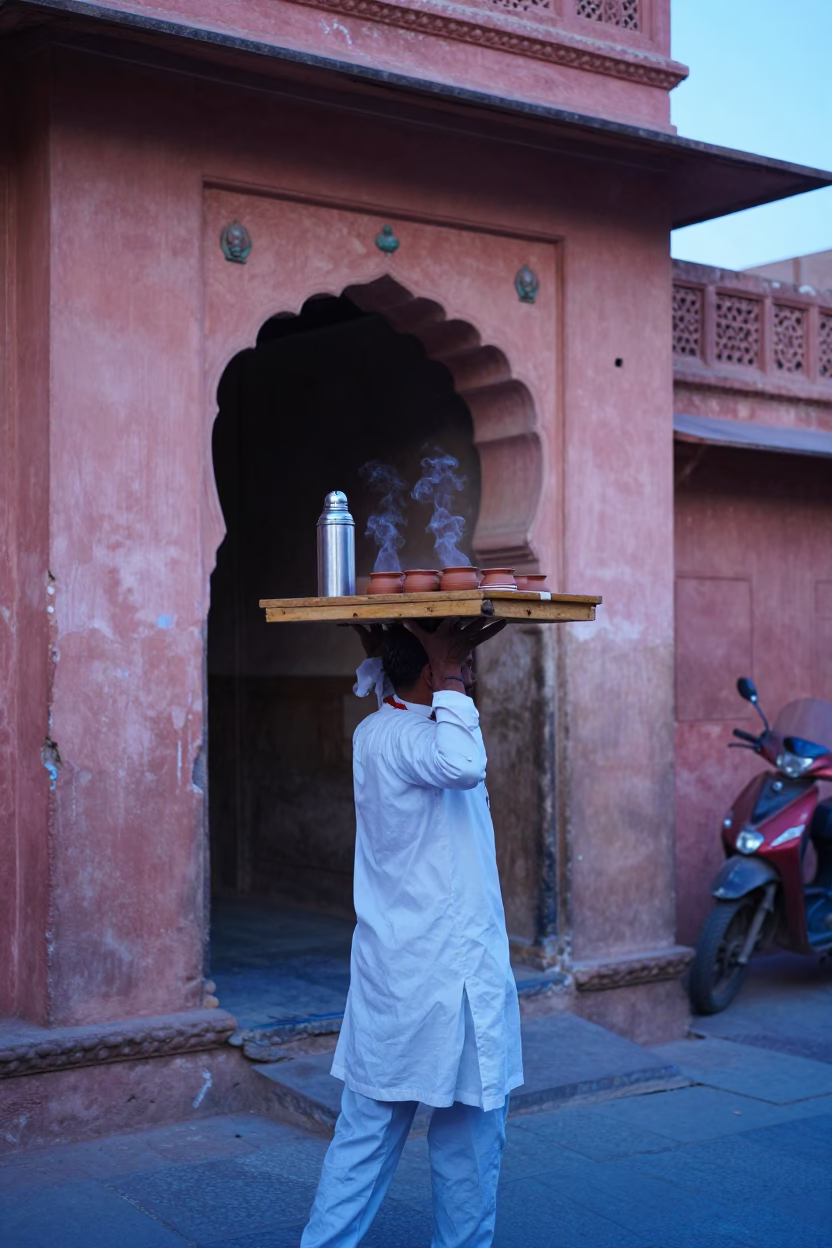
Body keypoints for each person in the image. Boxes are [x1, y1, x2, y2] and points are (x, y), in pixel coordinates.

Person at [300, 617, 523, 1248]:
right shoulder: (397, 735)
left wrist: (426, 662)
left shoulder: (397, 728)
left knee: (471, 1149)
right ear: (432, 672)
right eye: (460, 666)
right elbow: (460, 763)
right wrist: (448, 671)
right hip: (415, 975)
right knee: (368, 1138)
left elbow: (449, 747)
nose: (469, 676)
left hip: (458, 977)